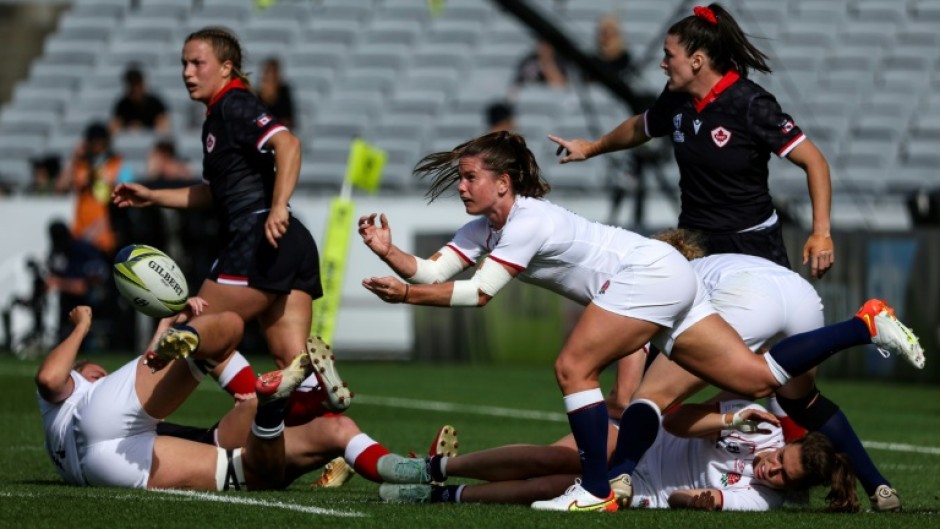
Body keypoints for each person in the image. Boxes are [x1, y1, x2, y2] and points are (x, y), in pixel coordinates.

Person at [357, 131, 923, 511]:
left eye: (469, 177)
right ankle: (866, 326)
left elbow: (478, 294)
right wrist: (389, 254)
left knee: (573, 366)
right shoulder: (486, 227)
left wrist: (406, 296)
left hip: (649, 275)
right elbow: (433, 269)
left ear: (503, 183)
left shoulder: (524, 220)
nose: (460, 186)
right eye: (460, 177)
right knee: (754, 380)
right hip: (666, 275)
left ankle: (593, 488)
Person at [611, 229, 901, 511]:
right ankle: (879, 487)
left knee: (648, 397)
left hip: (750, 298)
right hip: (802, 298)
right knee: (803, 402)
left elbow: (636, 391)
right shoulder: (706, 266)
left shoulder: (661, 280)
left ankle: (619, 477)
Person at [112, 27, 334, 384]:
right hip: (290, 241)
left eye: (198, 63)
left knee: (192, 332)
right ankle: (318, 394)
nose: (187, 72)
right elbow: (210, 193)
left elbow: (288, 144)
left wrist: (277, 206)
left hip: (257, 238)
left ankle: (239, 395)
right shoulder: (218, 116)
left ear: (226, 67)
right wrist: (153, 196)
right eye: (184, 63)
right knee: (291, 368)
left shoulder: (235, 104)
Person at [548, 4, 834, 278]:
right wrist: (591, 148)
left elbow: (815, 162)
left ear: (697, 61)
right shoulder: (676, 98)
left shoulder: (750, 104)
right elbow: (641, 126)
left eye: (669, 55)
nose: (662, 63)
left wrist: (821, 233)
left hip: (751, 246)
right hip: (694, 244)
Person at [377, 398, 858, 512]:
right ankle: (432, 467)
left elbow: (691, 500)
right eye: (780, 460)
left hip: (647, 489)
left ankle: (441, 496)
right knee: (557, 459)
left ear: (791, 489)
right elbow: (673, 419)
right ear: (788, 444)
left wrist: (699, 500)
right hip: (641, 444)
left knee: (561, 491)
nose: (770, 469)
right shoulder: (760, 426)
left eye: (780, 477)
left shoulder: (771, 502)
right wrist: (729, 422)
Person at [36, 300, 313, 490]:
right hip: (107, 425)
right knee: (230, 326)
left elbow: (150, 364)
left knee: (254, 476)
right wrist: (81, 326)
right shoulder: (80, 390)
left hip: (104, 470)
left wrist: (168, 321)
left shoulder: (57, 427)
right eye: (97, 376)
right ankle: (197, 340)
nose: (104, 377)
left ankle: (269, 405)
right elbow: (49, 378)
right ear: (79, 373)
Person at [57, 121, 134, 257]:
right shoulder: (80, 165)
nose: (98, 147)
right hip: (82, 233)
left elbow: (128, 188)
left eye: (101, 142)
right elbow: (61, 187)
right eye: (94, 142)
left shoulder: (118, 163)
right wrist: (74, 158)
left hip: (107, 234)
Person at [44, 220, 110, 344]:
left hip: (90, 303)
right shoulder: (60, 252)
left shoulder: (82, 251)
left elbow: (82, 288)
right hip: (70, 305)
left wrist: (57, 282)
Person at [110, 66, 170, 135]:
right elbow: (113, 129)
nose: (135, 89)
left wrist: (143, 129)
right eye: (132, 85)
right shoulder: (122, 105)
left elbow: (164, 130)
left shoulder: (156, 104)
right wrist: (128, 129)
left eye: (137, 84)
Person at [257, 57, 296, 130]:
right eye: (267, 75)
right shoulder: (255, 96)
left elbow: (288, 121)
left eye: (273, 75)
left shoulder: (284, 93)